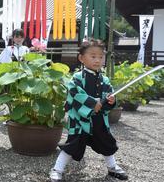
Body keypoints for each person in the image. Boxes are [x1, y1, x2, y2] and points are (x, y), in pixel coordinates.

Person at [49, 39, 128, 181]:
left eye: (100, 56)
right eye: (93, 56)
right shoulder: (77, 78)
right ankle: (57, 169)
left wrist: (111, 101)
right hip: (80, 120)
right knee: (72, 145)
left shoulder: (105, 80)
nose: (97, 60)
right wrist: (92, 103)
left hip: (98, 119)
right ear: (81, 58)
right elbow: (75, 94)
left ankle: (112, 167)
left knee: (106, 142)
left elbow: (109, 95)